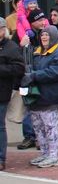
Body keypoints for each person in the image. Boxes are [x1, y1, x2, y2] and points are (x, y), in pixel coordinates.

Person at [24, 26, 58, 168]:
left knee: (50, 127)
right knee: (38, 127)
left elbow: (55, 72)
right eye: (42, 35)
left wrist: (34, 75)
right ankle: (44, 153)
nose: (44, 37)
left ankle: (53, 156)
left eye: (47, 35)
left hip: (51, 97)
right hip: (37, 97)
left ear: (54, 36)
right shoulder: (37, 52)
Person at [0, 23, 26, 171]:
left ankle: (1, 158)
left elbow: (19, 68)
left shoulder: (11, 47)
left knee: (0, 127)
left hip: (3, 91)